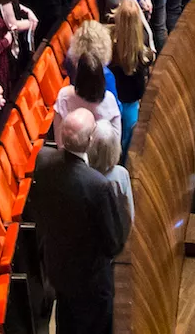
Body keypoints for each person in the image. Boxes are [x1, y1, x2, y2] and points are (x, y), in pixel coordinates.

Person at [25, 110, 130, 334]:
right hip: (91, 281)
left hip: (58, 268)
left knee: (66, 323)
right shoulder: (98, 185)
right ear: (91, 141)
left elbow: (38, 208)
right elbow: (113, 244)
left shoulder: (42, 160)